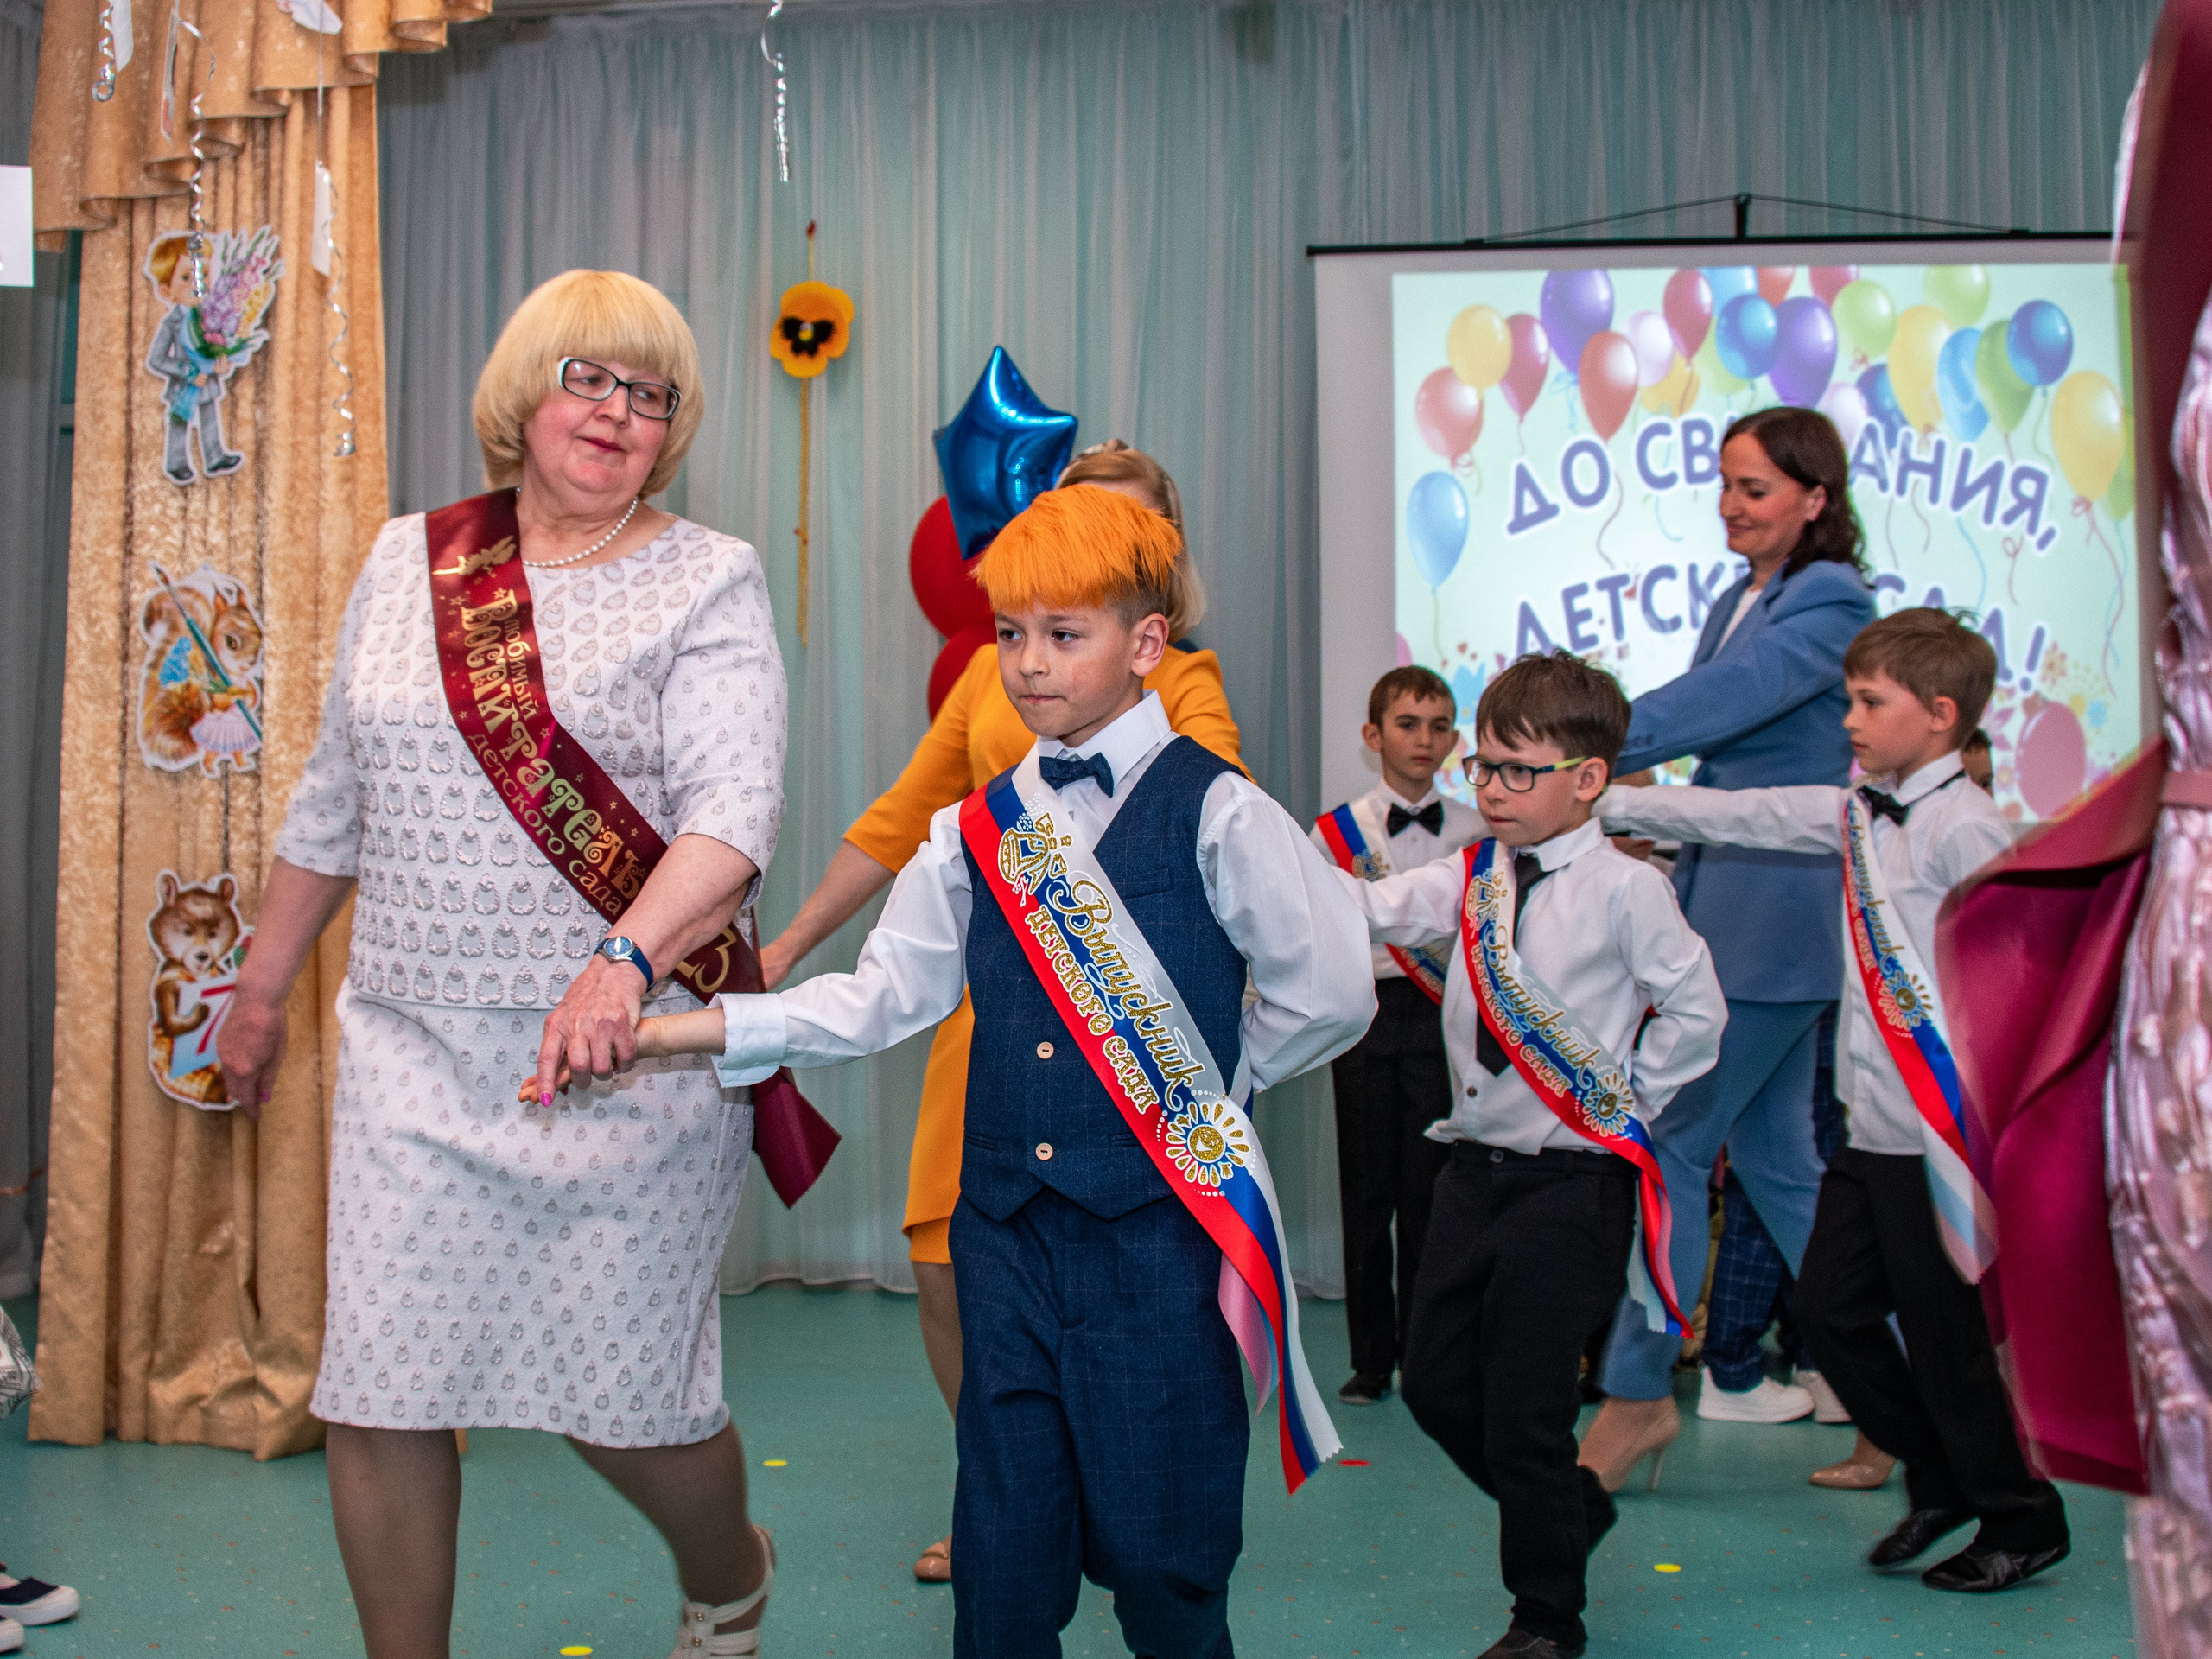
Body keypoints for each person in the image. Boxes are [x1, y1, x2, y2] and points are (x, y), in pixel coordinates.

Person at [595, 484, 1374, 1658]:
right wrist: (683, 1033)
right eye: (1011, 634)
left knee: (1164, 1560)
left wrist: (1202, 1088)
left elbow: (1335, 992)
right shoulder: (973, 830)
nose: (1029, 663)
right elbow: (881, 998)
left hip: (1162, 1239)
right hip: (1004, 1237)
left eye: (1064, 634)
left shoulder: (1222, 811)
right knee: (1004, 1562)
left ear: (1146, 644)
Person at [218, 270, 788, 1659]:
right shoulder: (410, 561)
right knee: (383, 1391)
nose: (616, 410)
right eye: (588, 376)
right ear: (524, 391)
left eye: (649, 392)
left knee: (626, 1403)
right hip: (412, 1052)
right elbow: (334, 799)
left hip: (628, 1064)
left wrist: (622, 960)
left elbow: (734, 816)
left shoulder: (706, 574)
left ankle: (730, 1572)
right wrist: (262, 986)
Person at [757, 438, 1240, 1583]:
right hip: (985, 1019)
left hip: (1120, 1035)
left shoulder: (1185, 682)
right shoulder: (992, 669)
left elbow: (1207, 828)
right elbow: (902, 819)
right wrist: (781, 949)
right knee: (947, 1267)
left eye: (1126, 524)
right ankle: (1010, 1489)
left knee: (1110, 1286)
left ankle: (1101, 1499)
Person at [1599, 607, 2071, 1593]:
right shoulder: (1861, 809)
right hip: (1872, 1132)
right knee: (1833, 1309)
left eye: (1867, 702)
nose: (1848, 718)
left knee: (1945, 1338)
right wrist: (1602, 802)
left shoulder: (1966, 827)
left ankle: (2022, 1519)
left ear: (1939, 715)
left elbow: (2023, 967)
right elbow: (1747, 816)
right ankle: (1939, 1478)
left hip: (1941, 1138)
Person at [1334, 652, 1726, 1659]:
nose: (1493, 790)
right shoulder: (1474, 876)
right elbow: (1370, 908)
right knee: (1435, 1387)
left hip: (1572, 1183)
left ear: (1587, 778)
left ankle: (1546, 1617)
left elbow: (1696, 1012)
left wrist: (1624, 1102)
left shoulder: (1628, 890)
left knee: (1526, 1409)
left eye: (1518, 771)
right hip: (1472, 1173)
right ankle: (1569, 1511)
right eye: (1484, 768)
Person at [1579, 406, 1876, 1488]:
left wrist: (1590, 735)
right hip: (1737, 911)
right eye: (1725, 484)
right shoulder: (1738, 595)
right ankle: (1902, 1397)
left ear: (1815, 499)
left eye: (1755, 488)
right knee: (1783, 1170)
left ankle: (1636, 1394)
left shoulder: (1831, 600)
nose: (1731, 506)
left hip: (1771, 924)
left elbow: (1731, 701)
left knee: (1668, 1144)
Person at [1310, 665, 1484, 1405]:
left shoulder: (1479, 829)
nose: (1424, 740)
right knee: (1366, 1190)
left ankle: (1425, 1351)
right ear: (1373, 735)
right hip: (1366, 1016)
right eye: (1408, 724)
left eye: (1439, 726)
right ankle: (1371, 1359)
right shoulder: (1333, 833)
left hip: (1444, 1020)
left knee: (1431, 1192)